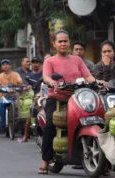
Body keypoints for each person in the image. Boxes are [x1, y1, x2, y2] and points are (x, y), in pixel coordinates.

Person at [38, 30, 98, 174]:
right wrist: (52, 81)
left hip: (77, 97)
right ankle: (45, 161)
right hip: (57, 98)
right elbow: (46, 77)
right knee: (51, 124)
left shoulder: (77, 60)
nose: (63, 44)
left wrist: (99, 82)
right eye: (60, 41)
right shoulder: (49, 61)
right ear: (54, 44)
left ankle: (101, 159)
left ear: (69, 43)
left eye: (65, 41)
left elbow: (88, 77)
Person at [0, 59, 23, 138]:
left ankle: (19, 121)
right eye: (3, 65)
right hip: (3, 96)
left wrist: (21, 85)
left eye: (7, 64)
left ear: (10, 66)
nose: (5, 66)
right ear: (1, 67)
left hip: (14, 95)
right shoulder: (0, 76)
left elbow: (20, 81)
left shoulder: (15, 74)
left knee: (20, 108)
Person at [20, 57, 43, 142]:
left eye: (37, 62)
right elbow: (28, 86)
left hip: (45, 95)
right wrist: (28, 87)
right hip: (35, 97)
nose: (35, 64)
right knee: (30, 115)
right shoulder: (29, 76)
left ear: (40, 64)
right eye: (33, 63)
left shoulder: (44, 74)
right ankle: (25, 136)